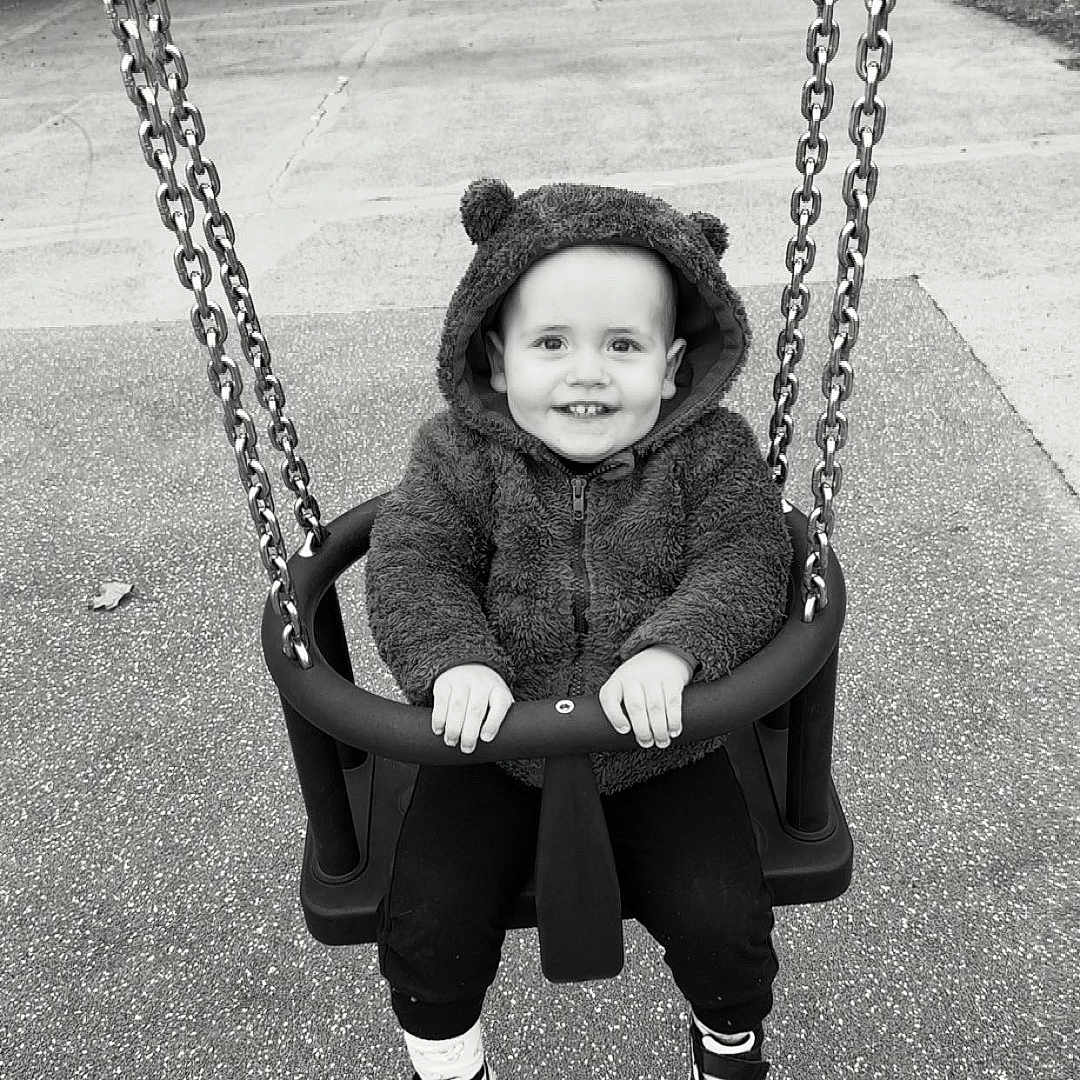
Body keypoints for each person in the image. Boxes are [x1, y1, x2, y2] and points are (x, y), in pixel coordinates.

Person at [364, 178, 792, 1080]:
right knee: (426, 930)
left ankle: (729, 1045)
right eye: (551, 343)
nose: (587, 372)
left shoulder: (711, 454)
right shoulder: (455, 456)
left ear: (673, 367)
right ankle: (448, 1064)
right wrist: (454, 663)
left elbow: (747, 557)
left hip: (658, 740)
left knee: (724, 922)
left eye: (623, 345)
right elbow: (416, 559)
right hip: (493, 742)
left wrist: (674, 648)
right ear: (494, 356)